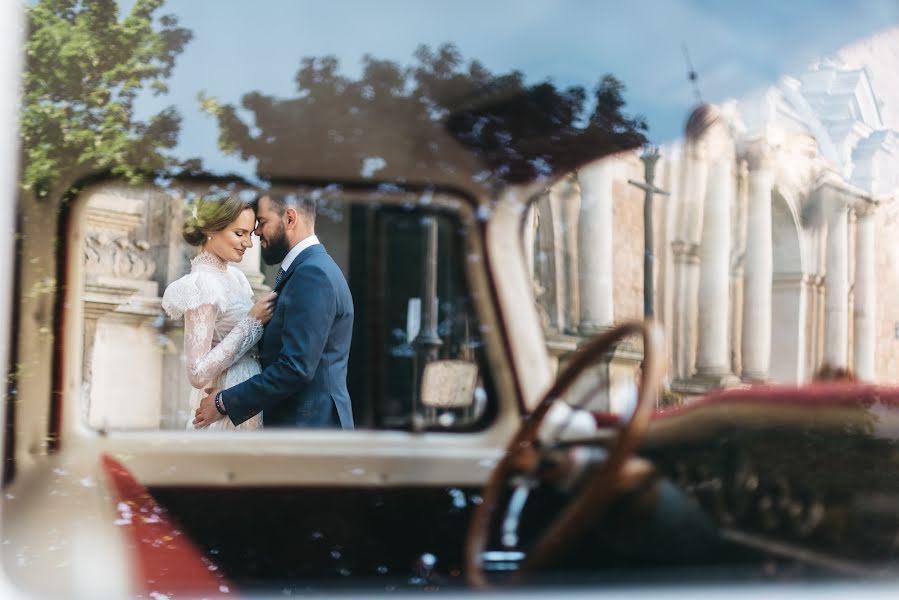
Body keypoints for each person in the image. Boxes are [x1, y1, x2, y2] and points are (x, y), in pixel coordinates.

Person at [193, 191, 355, 429]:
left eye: (263, 222)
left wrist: (224, 402)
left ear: (290, 219)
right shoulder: (308, 269)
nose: (256, 233)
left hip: (308, 433)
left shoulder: (312, 274)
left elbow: (295, 368)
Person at [161, 195, 278, 431]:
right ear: (213, 230)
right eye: (239, 233)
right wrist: (251, 322)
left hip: (246, 396)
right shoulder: (203, 284)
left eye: (249, 233)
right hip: (225, 405)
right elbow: (197, 373)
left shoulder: (236, 278)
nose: (248, 243)